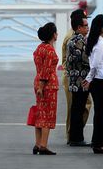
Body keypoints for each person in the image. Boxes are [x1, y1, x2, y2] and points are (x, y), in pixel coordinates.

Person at [83, 15, 103, 154]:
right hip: (101, 80)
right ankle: (98, 143)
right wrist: (89, 79)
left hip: (101, 80)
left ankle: (98, 142)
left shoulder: (96, 41)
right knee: (102, 113)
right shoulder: (100, 43)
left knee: (101, 112)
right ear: (102, 28)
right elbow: (94, 64)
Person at [62, 9, 92, 144]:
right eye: (85, 25)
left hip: (75, 80)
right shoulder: (79, 41)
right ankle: (76, 137)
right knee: (78, 109)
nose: (88, 28)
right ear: (79, 27)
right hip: (81, 80)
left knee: (76, 108)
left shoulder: (72, 39)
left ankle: (74, 136)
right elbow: (85, 59)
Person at [32, 22, 59, 155]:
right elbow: (47, 70)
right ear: (53, 35)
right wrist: (42, 87)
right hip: (48, 85)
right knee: (47, 115)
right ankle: (43, 145)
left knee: (40, 113)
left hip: (37, 81)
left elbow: (40, 69)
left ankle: (37, 144)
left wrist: (38, 86)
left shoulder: (38, 49)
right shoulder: (49, 50)